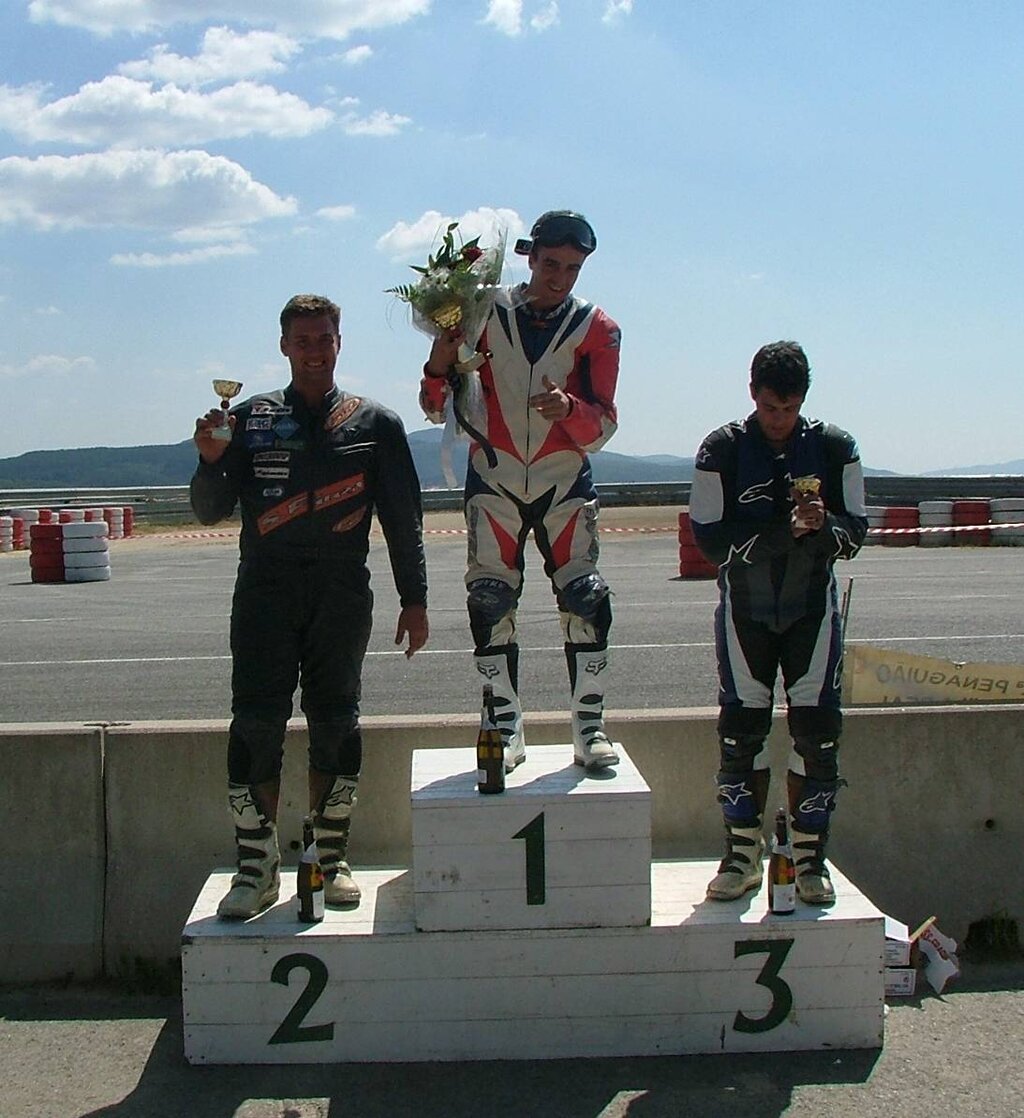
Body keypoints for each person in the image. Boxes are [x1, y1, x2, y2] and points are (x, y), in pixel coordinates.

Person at [191, 293, 428, 920]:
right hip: (265, 589)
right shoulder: (250, 418)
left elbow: (403, 520)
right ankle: (257, 866)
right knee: (255, 724)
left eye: (323, 338)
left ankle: (330, 856)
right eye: (302, 340)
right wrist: (209, 461)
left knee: (336, 721)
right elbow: (210, 509)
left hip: (341, 589)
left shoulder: (376, 424)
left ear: (339, 341)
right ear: (284, 346)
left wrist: (415, 599)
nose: (314, 349)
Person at [419, 210, 621, 772]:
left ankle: (589, 724)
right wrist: (438, 363)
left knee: (587, 599)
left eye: (573, 268)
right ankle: (504, 724)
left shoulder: (597, 328)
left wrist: (569, 410)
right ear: (529, 256)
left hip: (562, 480)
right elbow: (436, 405)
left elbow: (603, 425)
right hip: (495, 476)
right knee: (489, 601)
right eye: (551, 264)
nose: (559, 277)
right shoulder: (482, 311)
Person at [690, 341, 867, 905]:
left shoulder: (837, 448)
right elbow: (709, 542)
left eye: (790, 410)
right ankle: (742, 853)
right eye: (770, 409)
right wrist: (779, 533)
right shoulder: (720, 449)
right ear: (753, 395)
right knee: (741, 733)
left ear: (804, 402)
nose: (779, 421)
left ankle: (811, 858)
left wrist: (824, 526)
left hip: (812, 612)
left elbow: (856, 533)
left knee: (819, 735)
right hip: (746, 613)